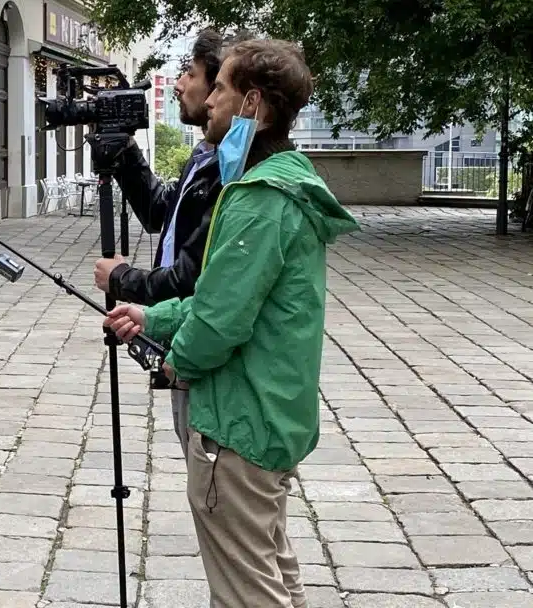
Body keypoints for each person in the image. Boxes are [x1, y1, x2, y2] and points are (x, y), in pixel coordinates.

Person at [104, 38, 360, 608]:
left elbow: (219, 323)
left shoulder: (259, 198)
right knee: (272, 572)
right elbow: (225, 297)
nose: (209, 98)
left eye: (219, 86)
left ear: (253, 105)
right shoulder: (274, 184)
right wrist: (155, 314)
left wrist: (176, 359)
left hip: (240, 422)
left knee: (245, 594)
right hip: (267, 412)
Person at [93, 29, 225, 458]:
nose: (182, 85)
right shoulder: (205, 153)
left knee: (213, 478)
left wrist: (125, 280)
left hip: (198, 339)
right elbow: (158, 212)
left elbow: (193, 275)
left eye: (191, 74)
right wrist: (126, 151)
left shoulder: (229, 166)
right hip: (181, 329)